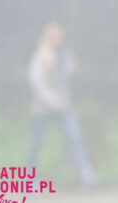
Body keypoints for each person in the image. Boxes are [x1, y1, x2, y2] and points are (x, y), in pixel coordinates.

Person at [25, 23, 97, 186]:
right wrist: (54, 101)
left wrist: (72, 68)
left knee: (75, 136)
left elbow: (67, 80)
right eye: (54, 35)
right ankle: (30, 176)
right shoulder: (39, 56)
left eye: (60, 35)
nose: (58, 39)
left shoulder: (65, 55)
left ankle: (85, 173)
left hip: (64, 107)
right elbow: (37, 83)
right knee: (36, 143)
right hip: (42, 110)